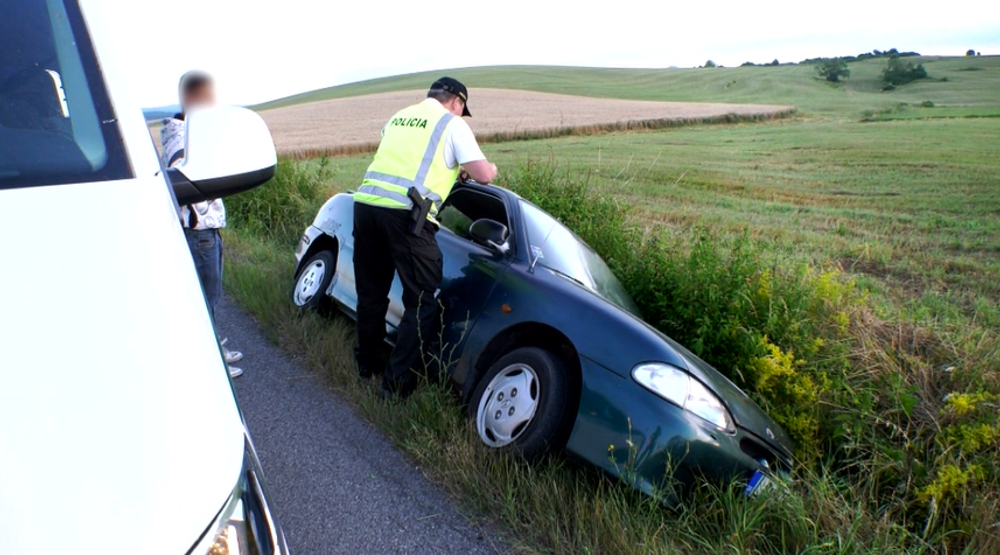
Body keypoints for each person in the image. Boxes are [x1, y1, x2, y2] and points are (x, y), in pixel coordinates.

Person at [353, 77, 498, 399]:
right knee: (423, 300)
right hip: (406, 216)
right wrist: (491, 167)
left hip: (366, 207)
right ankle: (396, 384)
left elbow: (409, 159)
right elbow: (483, 175)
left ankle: (367, 364)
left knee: (372, 291)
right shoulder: (452, 124)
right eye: (462, 109)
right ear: (457, 102)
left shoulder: (399, 117)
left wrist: (451, 170)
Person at [161, 71, 244, 378]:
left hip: (206, 231)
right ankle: (210, 366)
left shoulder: (190, 132)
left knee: (210, 298)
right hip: (199, 233)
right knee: (204, 300)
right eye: (209, 100)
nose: (214, 107)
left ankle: (211, 350)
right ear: (192, 100)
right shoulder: (182, 137)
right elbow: (183, 177)